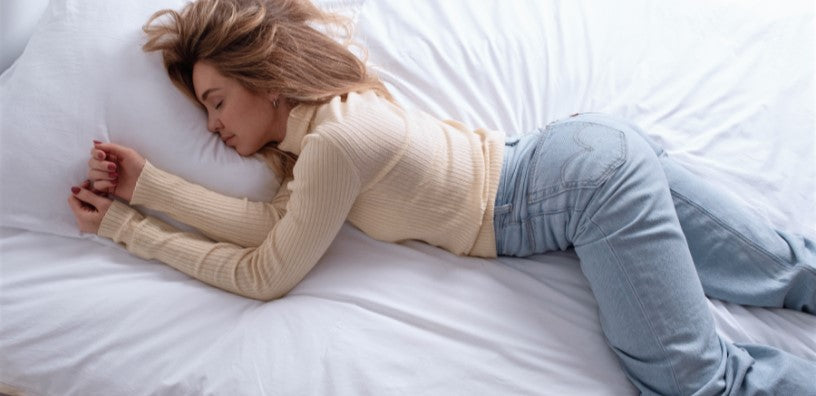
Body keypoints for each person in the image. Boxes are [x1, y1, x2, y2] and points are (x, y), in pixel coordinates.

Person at [66, 0, 816, 394]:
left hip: (580, 187)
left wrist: (130, 233)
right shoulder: (332, 127)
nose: (214, 125)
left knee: (702, 385)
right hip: (585, 153)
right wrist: (146, 189)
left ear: (260, 77)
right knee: (788, 271)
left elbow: (266, 273)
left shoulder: (335, 142)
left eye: (217, 101)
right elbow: (270, 224)